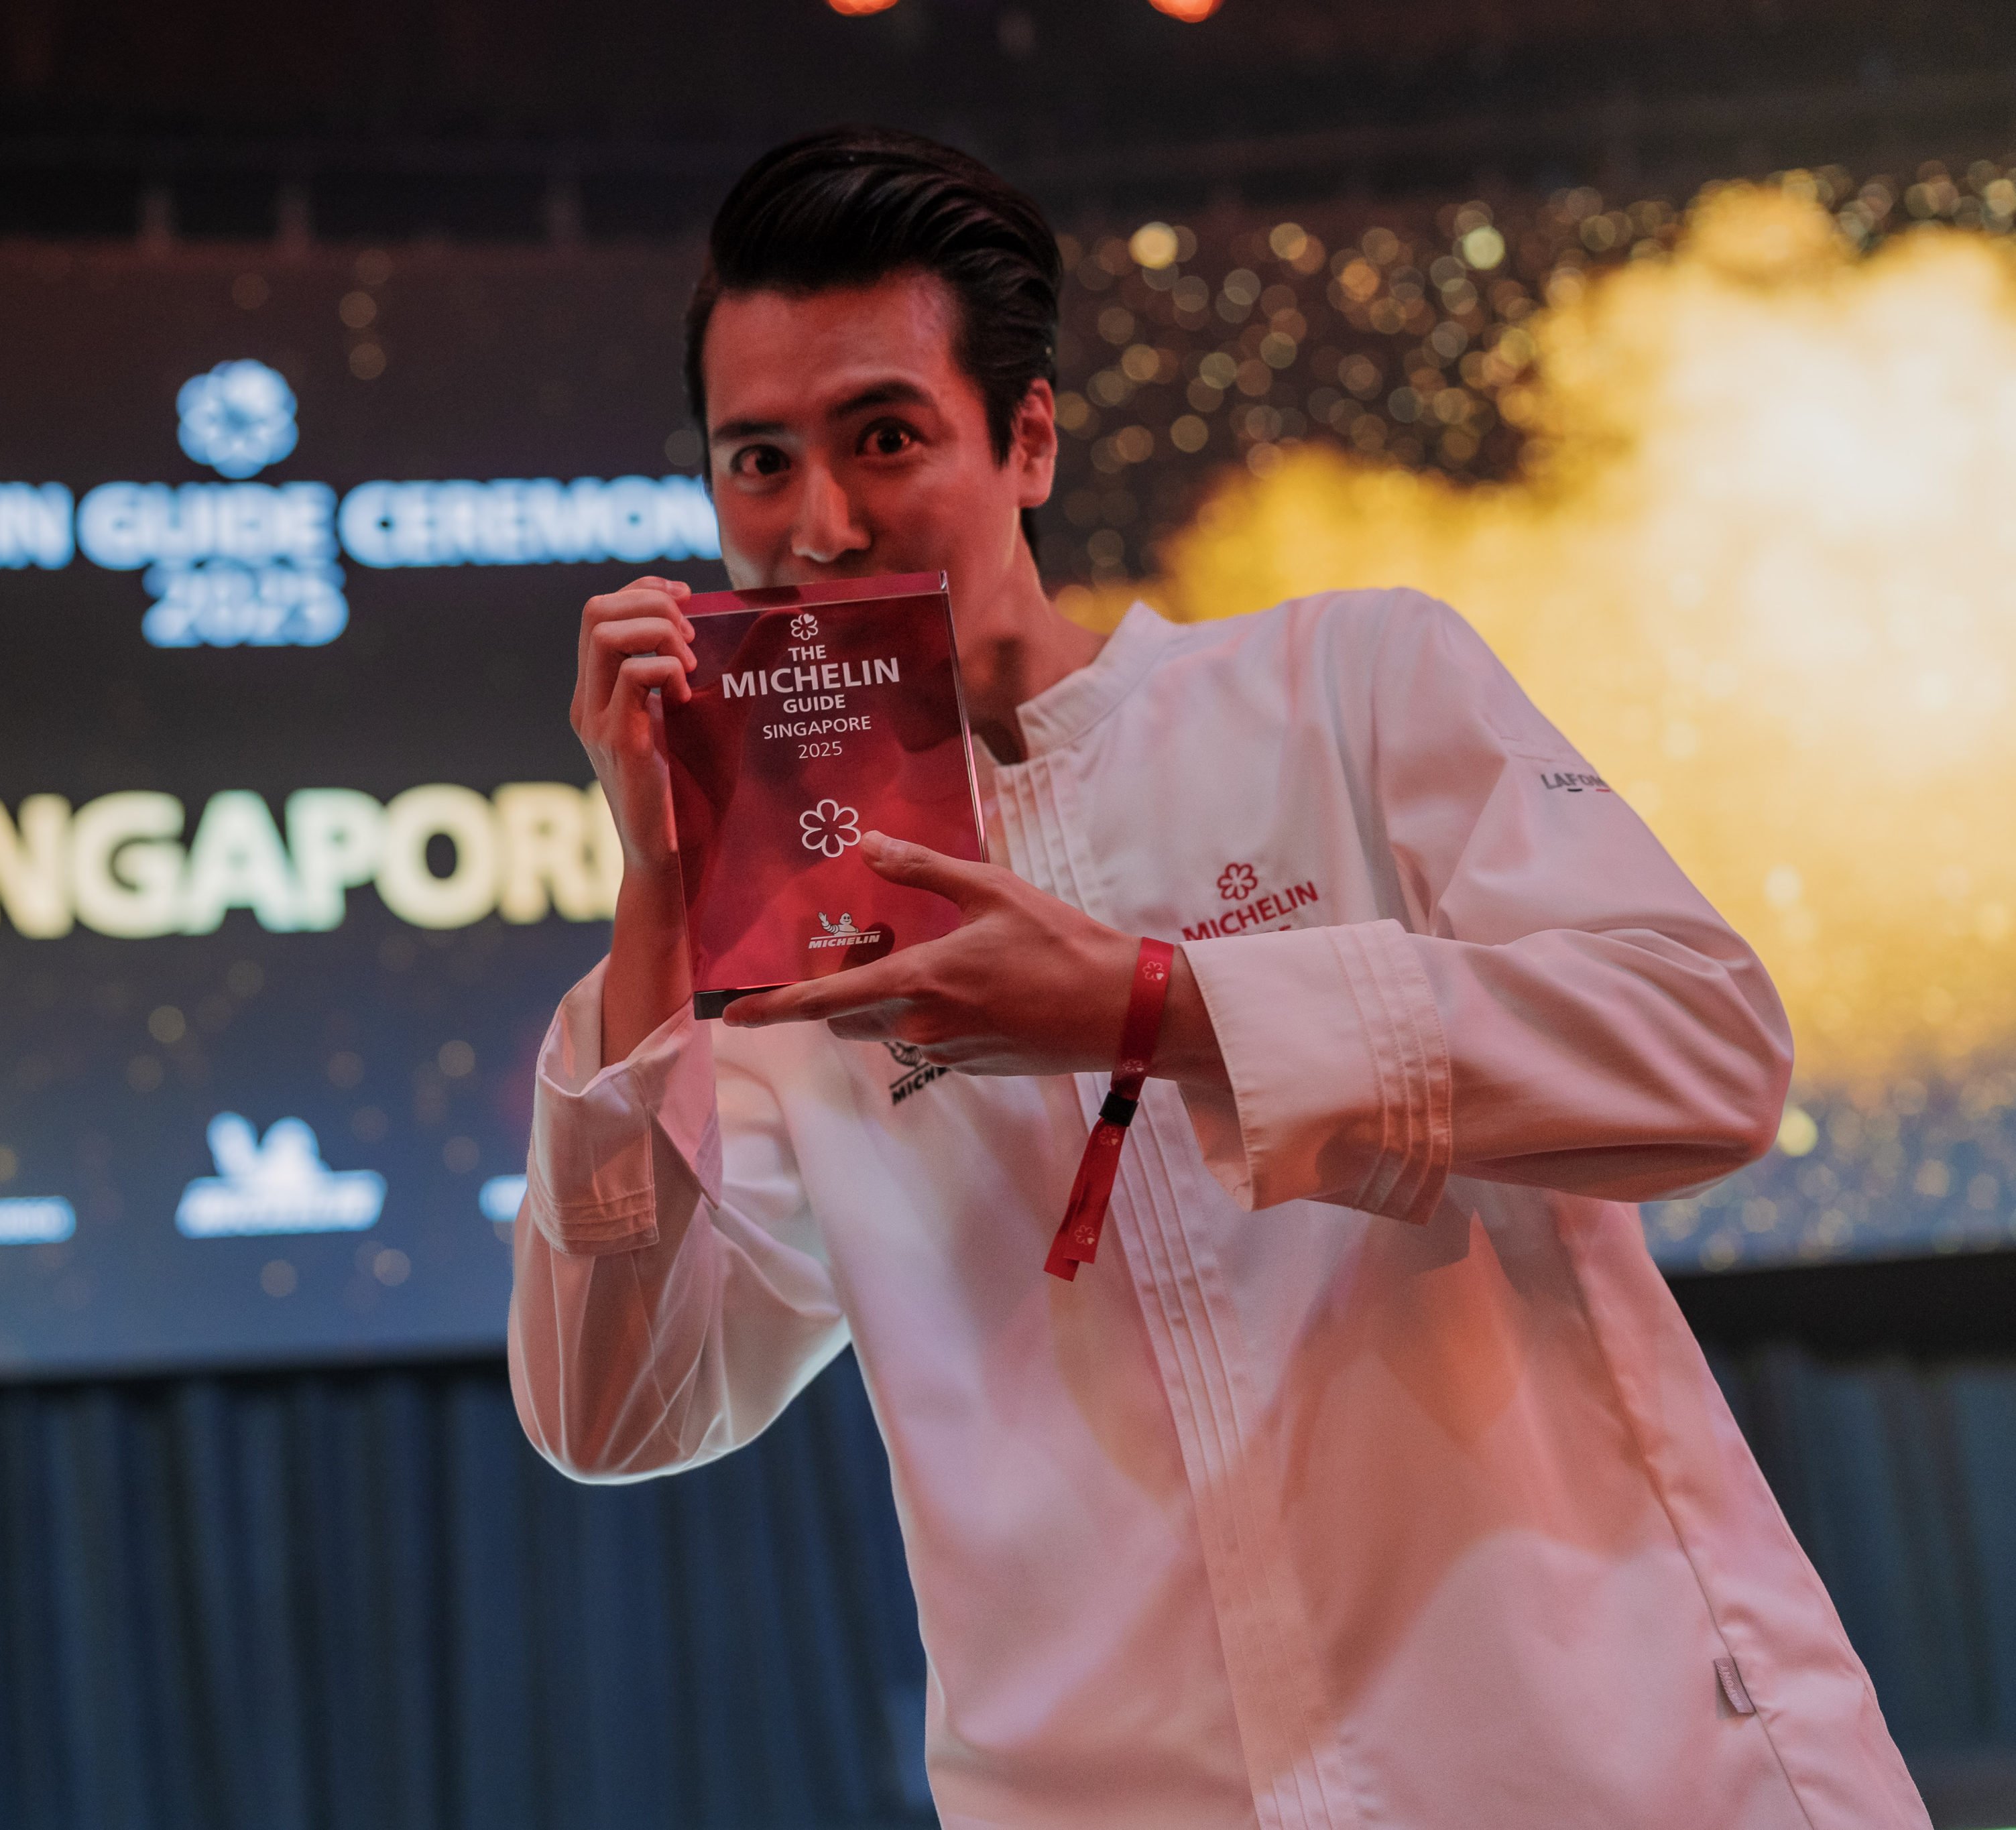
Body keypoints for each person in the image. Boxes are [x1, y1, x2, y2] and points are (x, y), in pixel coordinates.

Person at [506, 125, 1925, 1830]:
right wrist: (659, 888)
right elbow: (614, 1409)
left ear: (1025, 439)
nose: (817, 524)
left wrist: (1159, 1011)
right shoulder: (786, 942)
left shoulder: (1345, 685)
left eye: (884, 437)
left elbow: (1706, 1053)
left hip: (1598, 1760)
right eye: (756, 462)